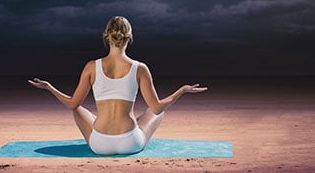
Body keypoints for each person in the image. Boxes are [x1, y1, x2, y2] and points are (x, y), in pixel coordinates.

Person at [28, 16, 207, 155]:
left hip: (100, 144)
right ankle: (132, 125)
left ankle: (115, 127)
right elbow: (157, 108)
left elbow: (72, 104)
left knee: (77, 108)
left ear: (107, 36)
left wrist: (50, 87)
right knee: (153, 111)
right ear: (129, 37)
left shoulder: (91, 66)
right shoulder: (140, 68)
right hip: (131, 143)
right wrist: (182, 90)